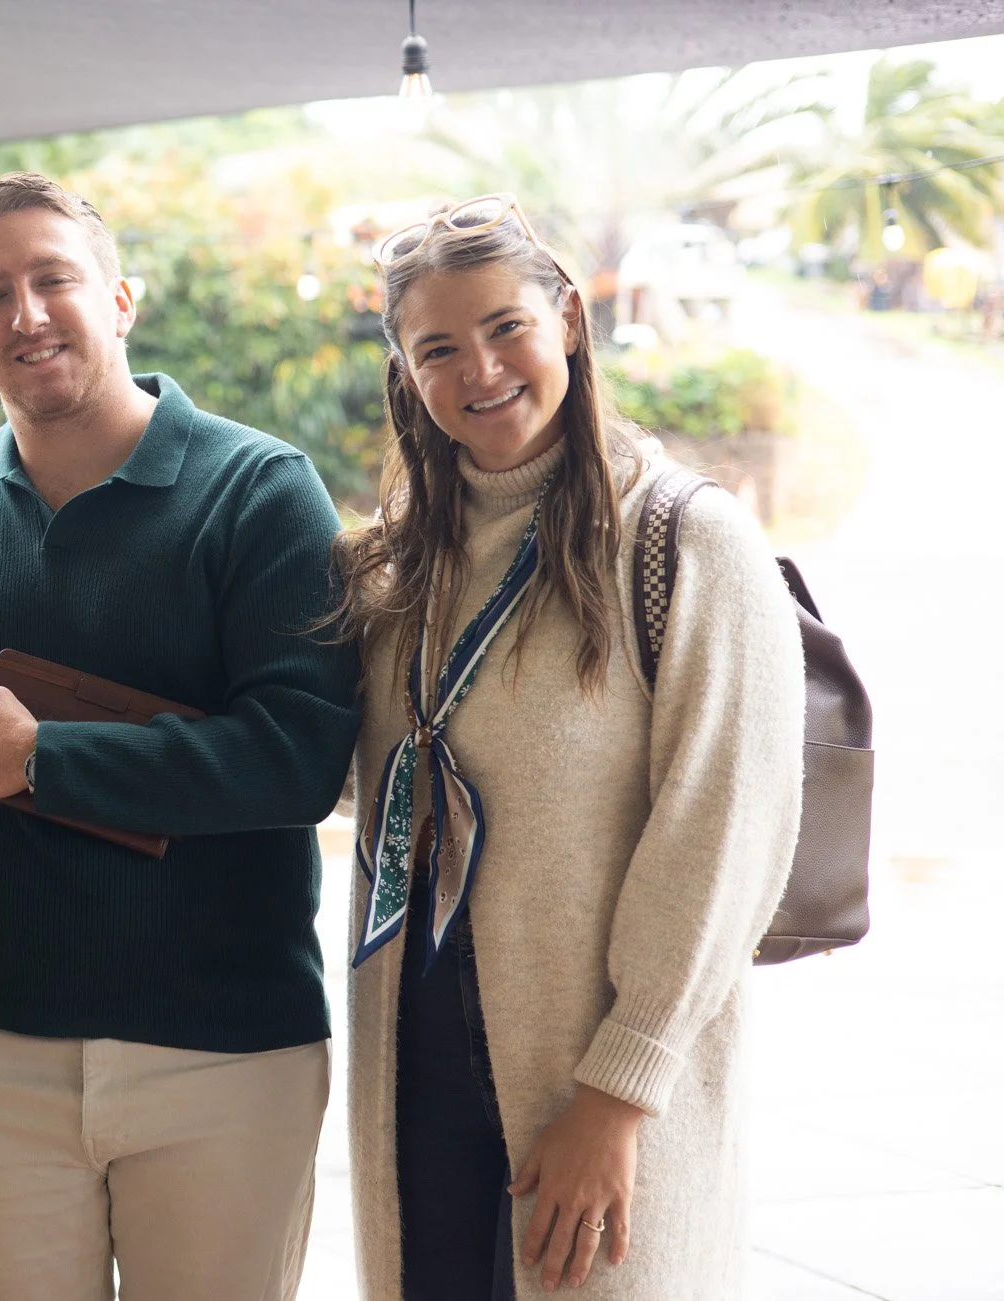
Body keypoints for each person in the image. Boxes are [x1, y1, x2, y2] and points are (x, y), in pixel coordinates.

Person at [332, 195, 804, 1298]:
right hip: (417, 1064)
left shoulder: (684, 541)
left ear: (569, 324)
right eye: (436, 348)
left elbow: (718, 833)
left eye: (505, 328)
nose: (479, 370)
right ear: (406, 376)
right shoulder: (397, 570)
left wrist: (619, 1091)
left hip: (592, 1076)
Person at [0, 172, 362, 1300]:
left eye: (53, 278)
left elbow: (300, 755)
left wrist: (43, 759)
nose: (28, 313)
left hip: (219, 1050)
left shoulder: (258, 489)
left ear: (119, 299)